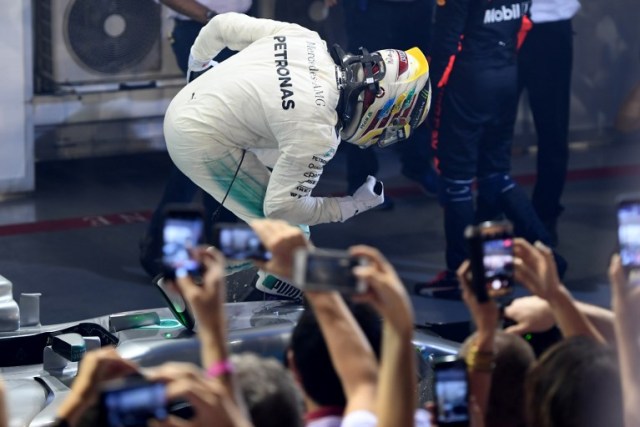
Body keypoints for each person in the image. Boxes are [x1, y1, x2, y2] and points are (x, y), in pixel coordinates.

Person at [164, 13, 431, 298]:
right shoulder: (318, 130)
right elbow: (280, 209)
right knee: (292, 234)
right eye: (394, 122)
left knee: (276, 212)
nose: (388, 132)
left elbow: (218, 26)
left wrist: (197, 69)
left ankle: (218, 269)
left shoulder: (306, 39)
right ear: (380, 99)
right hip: (199, 138)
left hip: (190, 106)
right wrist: (350, 205)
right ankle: (210, 282)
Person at [416, 0, 564, 296]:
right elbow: (524, 25)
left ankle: (460, 276)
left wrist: (430, 94)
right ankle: (546, 254)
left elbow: (446, 44)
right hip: (506, 75)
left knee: (456, 181)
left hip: (466, 84)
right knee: (496, 175)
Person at [140, 0, 254, 279]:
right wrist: (212, 17)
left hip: (243, 30)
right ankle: (166, 249)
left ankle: (216, 249)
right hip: (201, 32)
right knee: (209, 138)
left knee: (232, 141)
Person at [326, 0, 439, 207]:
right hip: (370, 9)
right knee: (365, 84)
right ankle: (361, 182)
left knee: (416, 77)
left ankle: (417, 163)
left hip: (417, 7)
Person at [517, 0, 581, 246]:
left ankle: (545, 215)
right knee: (492, 131)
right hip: (500, 23)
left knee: (552, 128)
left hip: (551, 24)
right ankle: (491, 214)